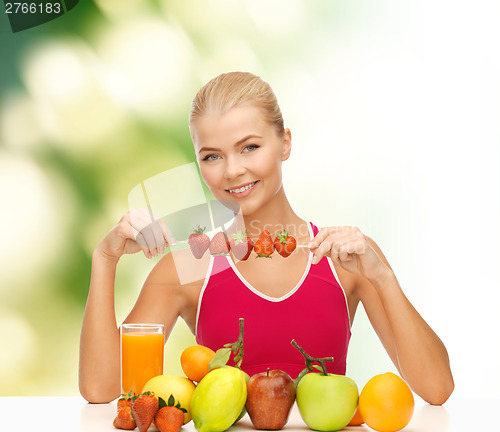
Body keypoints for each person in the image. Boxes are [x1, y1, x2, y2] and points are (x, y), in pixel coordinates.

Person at [79, 72, 454, 406]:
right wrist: (104, 259)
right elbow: (101, 389)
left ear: (285, 143)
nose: (233, 170)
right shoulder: (187, 268)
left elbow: (436, 389)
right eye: (212, 156)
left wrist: (383, 278)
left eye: (250, 147)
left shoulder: (345, 257)